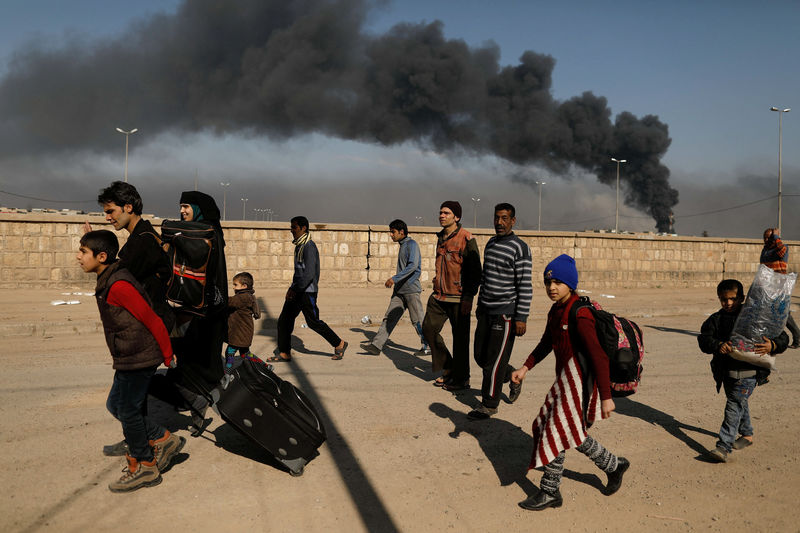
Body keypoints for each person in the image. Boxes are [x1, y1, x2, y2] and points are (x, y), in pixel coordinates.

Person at [510, 254, 629, 511]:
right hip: (564, 381)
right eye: (548, 282)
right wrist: (525, 367)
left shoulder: (580, 313)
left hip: (581, 383)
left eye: (558, 282)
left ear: (570, 284)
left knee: (555, 430)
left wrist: (606, 397)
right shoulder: (556, 311)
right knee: (563, 430)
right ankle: (614, 465)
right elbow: (546, 344)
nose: (552, 287)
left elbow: (598, 355)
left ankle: (550, 491)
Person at [77, 230, 185, 492]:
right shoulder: (108, 274)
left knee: (128, 411)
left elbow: (152, 319)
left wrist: (168, 354)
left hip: (140, 356)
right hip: (128, 355)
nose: (78, 256)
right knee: (117, 405)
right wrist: (92, 238)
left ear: (101, 257)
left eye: (83, 251)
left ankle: (145, 466)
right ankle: (161, 438)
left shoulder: (119, 285)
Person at [148, 191, 229, 437]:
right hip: (202, 306)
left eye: (186, 206)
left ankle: (200, 400)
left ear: (199, 208)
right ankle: (198, 400)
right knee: (192, 357)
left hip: (203, 308)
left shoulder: (203, 232)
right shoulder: (205, 231)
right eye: (181, 206)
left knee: (191, 356)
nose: (182, 211)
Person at [697, 279, 789, 463]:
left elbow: (782, 336)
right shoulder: (716, 320)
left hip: (749, 373)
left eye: (733, 298)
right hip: (727, 373)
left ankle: (723, 446)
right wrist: (718, 345)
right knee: (739, 402)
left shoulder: (756, 317)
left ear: (742, 298)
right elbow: (704, 339)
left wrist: (773, 344)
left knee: (734, 403)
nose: (728, 303)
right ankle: (747, 435)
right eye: (724, 300)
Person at [468, 203, 532, 419]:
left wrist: (521, 317)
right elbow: (486, 277)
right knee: (480, 356)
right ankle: (511, 373)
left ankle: (489, 403)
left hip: (505, 314)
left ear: (513, 221)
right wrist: (478, 306)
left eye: (504, 218)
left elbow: (524, 284)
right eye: (497, 218)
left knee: (493, 362)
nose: (499, 222)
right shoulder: (491, 243)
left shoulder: (520, 248)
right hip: (486, 309)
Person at [93, 181, 174, 333]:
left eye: (111, 211)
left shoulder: (143, 241)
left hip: (152, 324)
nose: (107, 218)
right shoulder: (143, 235)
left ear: (128, 207)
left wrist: (95, 256)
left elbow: (117, 280)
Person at [270, 216, 348, 362]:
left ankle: (339, 343)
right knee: (284, 321)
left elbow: (309, 274)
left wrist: (296, 289)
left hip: (307, 292)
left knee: (313, 322)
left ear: (303, 228)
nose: (291, 230)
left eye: (294, 227)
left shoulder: (309, 246)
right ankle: (284, 352)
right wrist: (291, 288)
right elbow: (299, 272)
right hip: (298, 290)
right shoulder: (299, 246)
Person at [422, 201, 482, 391]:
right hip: (439, 296)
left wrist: (469, 298)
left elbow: (475, 272)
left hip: (458, 297)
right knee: (428, 329)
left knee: (460, 340)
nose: (442, 215)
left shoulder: (466, 239)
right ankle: (448, 367)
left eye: (447, 213)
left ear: (456, 217)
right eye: (440, 212)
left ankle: (461, 378)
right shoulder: (441, 237)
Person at [361, 219, 429, 356]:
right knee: (389, 318)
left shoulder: (412, 244)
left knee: (418, 320)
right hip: (399, 290)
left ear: (401, 232)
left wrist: (394, 278)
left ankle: (428, 346)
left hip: (411, 289)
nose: (391, 235)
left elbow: (413, 266)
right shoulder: (402, 245)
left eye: (393, 232)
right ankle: (376, 345)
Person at [760, 227, 799, 348]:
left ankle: (797, 337)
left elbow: (781, 250)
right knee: (770, 313)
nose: (766, 240)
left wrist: (776, 236)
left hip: (779, 288)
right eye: (765, 237)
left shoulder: (783, 248)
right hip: (768, 287)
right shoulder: (765, 250)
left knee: (784, 314)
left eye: (769, 237)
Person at [225, 271, 264, 372]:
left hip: (239, 333)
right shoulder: (248, 296)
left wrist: (219, 296)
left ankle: (227, 372)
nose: (233, 287)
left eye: (235, 285)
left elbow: (230, 302)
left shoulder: (243, 297)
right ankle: (265, 366)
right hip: (244, 333)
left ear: (244, 286)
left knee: (230, 352)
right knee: (245, 354)